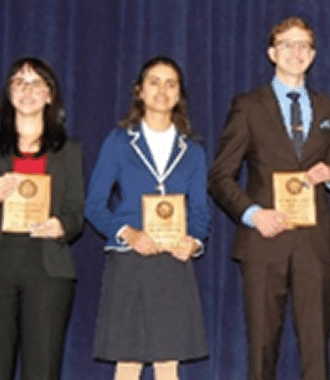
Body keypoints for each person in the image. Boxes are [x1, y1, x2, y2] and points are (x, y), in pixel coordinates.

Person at [208, 16, 330, 380]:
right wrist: (253, 214)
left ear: (313, 55)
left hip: (314, 246)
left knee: (317, 352)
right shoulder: (248, 106)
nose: (296, 52)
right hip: (263, 242)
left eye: (304, 46)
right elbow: (220, 176)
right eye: (287, 45)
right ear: (272, 53)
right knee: (262, 350)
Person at [85, 56, 210, 380]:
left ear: (179, 94)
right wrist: (128, 234)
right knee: (128, 362)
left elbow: (200, 212)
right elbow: (95, 205)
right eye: (154, 81)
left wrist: (193, 242)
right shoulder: (118, 142)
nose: (162, 90)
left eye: (171, 83)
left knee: (168, 364)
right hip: (130, 261)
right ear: (139, 91)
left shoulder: (193, 151)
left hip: (172, 263)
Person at [0, 57, 84, 380]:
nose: (26, 90)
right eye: (18, 82)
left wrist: (63, 225)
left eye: (36, 83)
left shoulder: (68, 152)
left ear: (49, 96)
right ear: (8, 94)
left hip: (47, 272)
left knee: (43, 371)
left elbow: (76, 212)